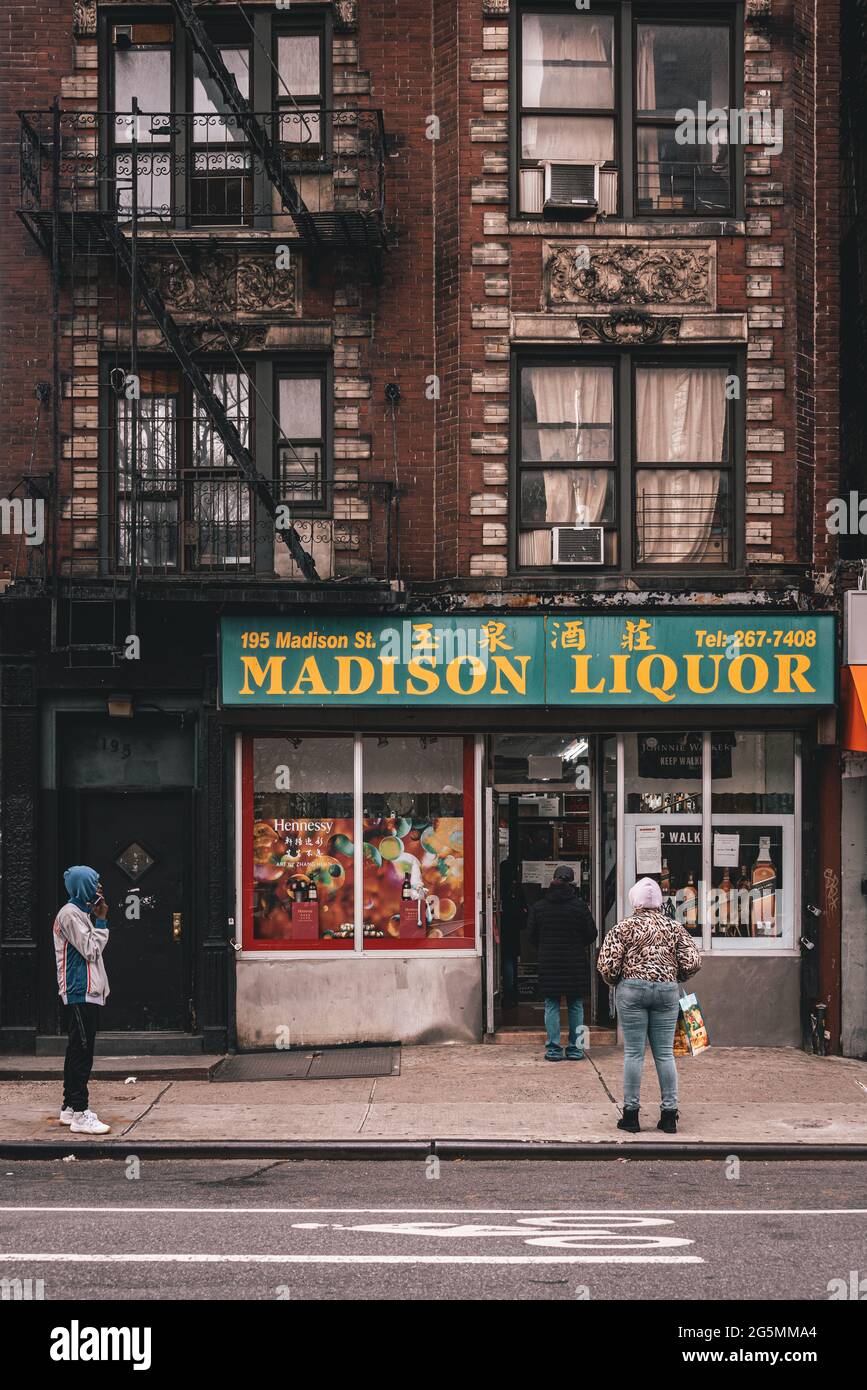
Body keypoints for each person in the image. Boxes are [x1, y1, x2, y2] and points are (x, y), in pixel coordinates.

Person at [596, 876, 701, 1134]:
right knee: (665, 1054)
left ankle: (631, 1116)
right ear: (659, 902)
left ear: (635, 901)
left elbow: (607, 965)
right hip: (666, 991)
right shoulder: (674, 927)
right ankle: (669, 1116)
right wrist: (675, 977)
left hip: (632, 991)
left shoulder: (623, 927)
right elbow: (693, 961)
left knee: (634, 1054)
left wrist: (617, 981)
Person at [53, 865, 112, 1135]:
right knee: (82, 1053)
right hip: (80, 990)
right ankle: (80, 1112)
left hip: (85, 991)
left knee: (77, 1049)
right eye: (95, 882)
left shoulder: (78, 913)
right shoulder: (70, 914)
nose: (99, 887)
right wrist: (101, 921)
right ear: (83, 886)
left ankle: (69, 1107)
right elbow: (91, 950)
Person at [529, 864, 597, 1061]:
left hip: (549, 962)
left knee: (551, 1005)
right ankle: (576, 1049)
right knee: (576, 1005)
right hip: (575, 963)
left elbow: (531, 936)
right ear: (572, 882)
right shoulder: (579, 906)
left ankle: (553, 1049)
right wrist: (577, 943)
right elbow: (592, 934)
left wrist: (545, 947)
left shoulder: (539, 907)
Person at [499, 855, 527, 1010]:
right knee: (510, 961)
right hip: (513, 930)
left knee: (506, 961)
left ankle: (507, 994)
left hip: (501, 928)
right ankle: (511, 994)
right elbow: (524, 908)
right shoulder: (516, 888)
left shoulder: (499, 888)